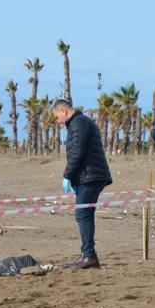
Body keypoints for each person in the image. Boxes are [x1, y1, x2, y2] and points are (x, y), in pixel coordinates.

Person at [52, 99, 113, 269]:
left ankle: (89, 256)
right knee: (85, 214)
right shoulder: (78, 123)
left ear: (64, 111)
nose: (58, 122)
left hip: (91, 176)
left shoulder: (78, 123)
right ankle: (87, 255)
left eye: (57, 117)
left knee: (82, 214)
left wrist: (67, 176)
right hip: (89, 176)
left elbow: (77, 152)